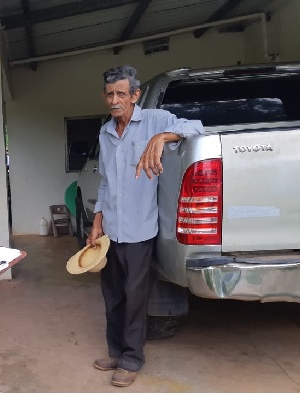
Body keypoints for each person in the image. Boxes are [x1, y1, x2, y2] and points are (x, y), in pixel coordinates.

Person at [87, 65, 204, 387]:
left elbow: (197, 126)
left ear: (135, 95)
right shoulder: (105, 132)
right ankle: (114, 350)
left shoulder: (156, 119)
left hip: (139, 230)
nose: (114, 100)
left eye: (121, 94)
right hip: (111, 230)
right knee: (112, 295)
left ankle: (131, 358)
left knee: (135, 296)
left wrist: (162, 137)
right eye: (109, 94)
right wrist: (97, 222)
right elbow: (106, 183)